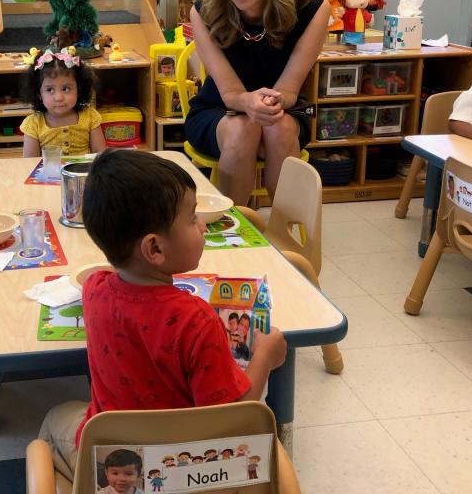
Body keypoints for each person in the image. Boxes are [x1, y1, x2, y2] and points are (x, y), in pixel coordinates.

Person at [37, 149, 287, 480]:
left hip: (118, 466)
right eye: (191, 217)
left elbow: (100, 275)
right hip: (188, 473)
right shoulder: (196, 320)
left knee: (56, 415)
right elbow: (232, 415)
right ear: (154, 249)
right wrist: (266, 357)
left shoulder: (94, 290)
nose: (201, 224)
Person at [184, 0, 330, 204]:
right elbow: (229, 93)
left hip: (283, 111)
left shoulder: (313, 10)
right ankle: (231, 231)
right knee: (243, 129)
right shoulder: (203, 13)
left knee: (280, 127)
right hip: (219, 112)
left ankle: (284, 232)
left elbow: (288, 90)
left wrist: (265, 105)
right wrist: (248, 103)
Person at [20, 49, 106, 157]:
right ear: (39, 94)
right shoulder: (33, 124)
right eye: (50, 90)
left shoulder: (90, 117)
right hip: (49, 174)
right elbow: (30, 164)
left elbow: (101, 156)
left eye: (65, 89)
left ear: (79, 90)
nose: (59, 98)